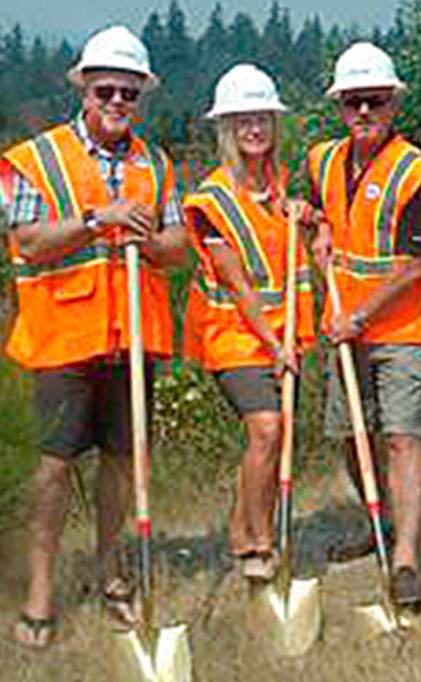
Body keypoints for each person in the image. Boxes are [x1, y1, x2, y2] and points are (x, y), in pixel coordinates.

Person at [1, 25, 187, 648]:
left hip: (132, 338)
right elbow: (28, 242)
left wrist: (149, 241)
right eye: (105, 89)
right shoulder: (35, 159)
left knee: (121, 462)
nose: (116, 101)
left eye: (128, 92)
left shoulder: (156, 163)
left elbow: (178, 246)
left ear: (141, 96)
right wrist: (96, 219)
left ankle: (111, 573)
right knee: (52, 470)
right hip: (61, 339)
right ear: (83, 90)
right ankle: (40, 592)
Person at [307, 42, 421, 610]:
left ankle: (407, 559)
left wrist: (360, 316)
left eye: (374, 100)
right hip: (346, 327)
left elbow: (415, 264)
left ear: (393, 103)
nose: (364, 111)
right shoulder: (323, 160)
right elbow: (318, 207)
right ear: (340, 106)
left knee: (401, 437)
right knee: (353, 433)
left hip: (404, 329)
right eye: (353, 102)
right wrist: (318, 225)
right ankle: (383, 519)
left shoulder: (419, 174)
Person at [183, 64, 316, 581]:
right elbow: (238, 286)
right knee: (267, 428)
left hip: (282, 333)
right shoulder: (213, 199)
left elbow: (285, 247)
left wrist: (308, 217)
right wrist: (274, 345)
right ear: (227, 129)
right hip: (234, 336)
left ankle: (240, 533)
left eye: (261, 118)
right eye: (243, 121)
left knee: (274, 437)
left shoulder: (277, 185)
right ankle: (261, 539)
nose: (254, 128)